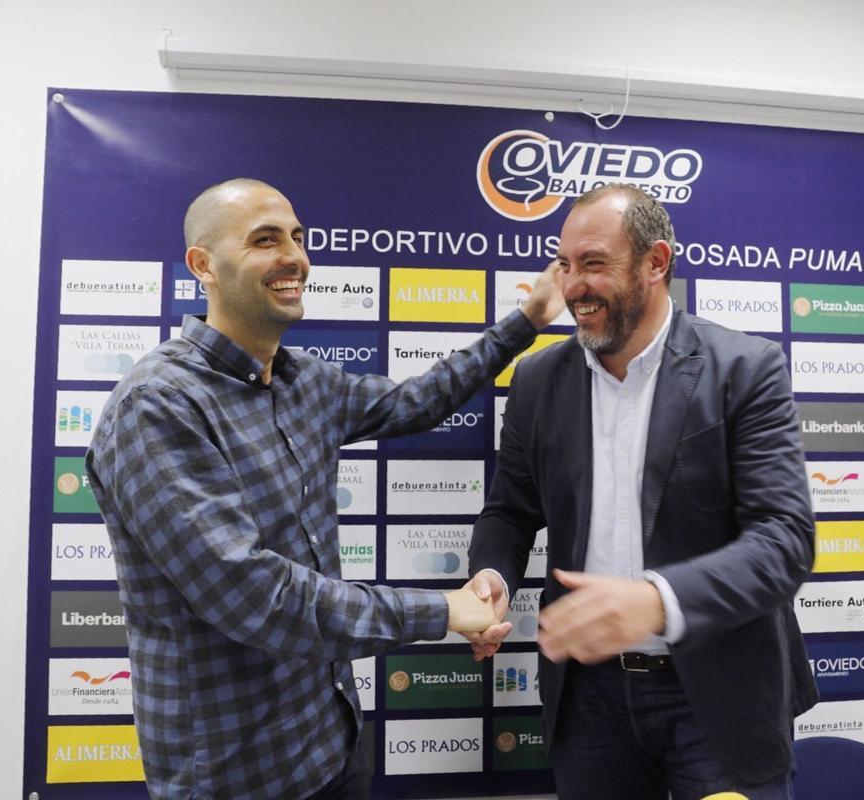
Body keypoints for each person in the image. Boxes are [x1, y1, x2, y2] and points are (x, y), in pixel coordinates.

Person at [85, 177, 565, 800]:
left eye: (298, 238)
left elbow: (418, 401)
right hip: (237, 775)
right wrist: (443, 610)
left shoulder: (304, 381)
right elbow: (254, 596)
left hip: (330, 744)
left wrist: (524, 323)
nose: (294, 257)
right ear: (203, 264)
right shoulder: (159, 406)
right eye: (265, 240)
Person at [464, 184, 818, 799]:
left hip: (718, 697)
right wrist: (491, 575)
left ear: (656, 263)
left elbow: (784, 541)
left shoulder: (744, 368)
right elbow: (510, 512)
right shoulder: (537, 380)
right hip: (589, 703)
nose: (574, 286)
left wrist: (657, 601)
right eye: (566, 265)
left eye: (595, 264)